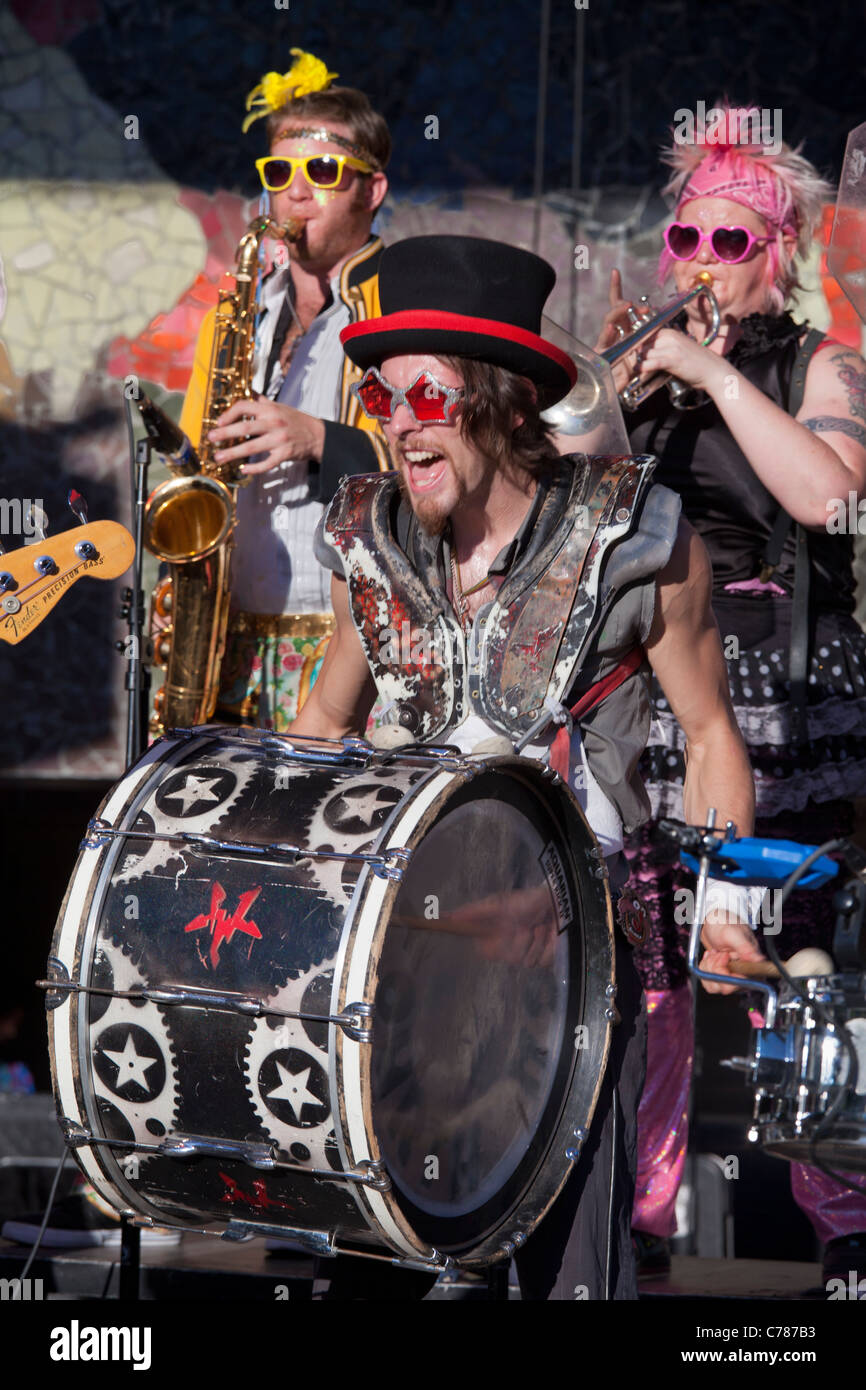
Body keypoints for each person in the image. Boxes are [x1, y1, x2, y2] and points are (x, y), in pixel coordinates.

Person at [289, 232, 757, 1299]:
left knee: (562, 1275)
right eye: (381, 401)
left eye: (425, 397)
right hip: (396, 968)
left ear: (500, 403)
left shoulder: (635, 534)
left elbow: (710, 731)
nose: (400, 425)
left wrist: (724, 900)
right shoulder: (368, 537)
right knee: (381, 1266)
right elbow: (325, 714)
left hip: (571, 960)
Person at [596, 105, 866, 1282]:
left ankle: (841, 1223)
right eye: (684, 238)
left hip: (781, 691)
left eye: (728, 241)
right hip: (652, 691)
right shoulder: (637, 364)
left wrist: (710, 370)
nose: (698, 263)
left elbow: (828, 497)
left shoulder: (818, 362)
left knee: (783, 967)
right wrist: (612, 392)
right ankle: (641, 1225)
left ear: (779, 252)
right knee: (646, 972)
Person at [178, 49, 391, 730]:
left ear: (371, 190)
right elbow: (193, 469)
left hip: (349, 639)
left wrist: (317, 438)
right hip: (228, 637)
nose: (296, 192)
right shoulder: (236, 315)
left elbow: (442, 472)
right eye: (280, 173)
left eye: (323, 172)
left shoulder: (402, 309)